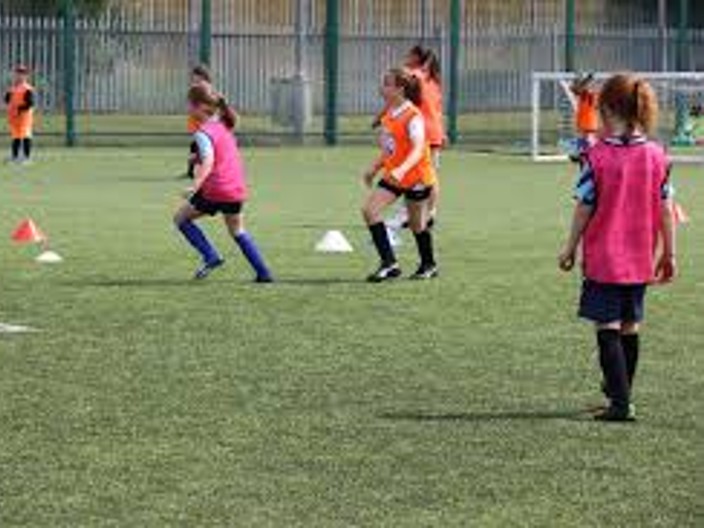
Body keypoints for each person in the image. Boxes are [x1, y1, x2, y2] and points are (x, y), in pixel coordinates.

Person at [558, 73, 677, 422]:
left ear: (607, 109)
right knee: (630, 326)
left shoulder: (596, 157)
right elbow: (666, 208)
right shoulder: (658, 156)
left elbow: (585, 205)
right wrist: (669, 253)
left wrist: (569, 247)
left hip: (605, 258)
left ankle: (620, 404)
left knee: (606, 327)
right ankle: (620, 393)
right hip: (641, 257)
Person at [174, 84, 272, 283]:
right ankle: (264, 273)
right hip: (235, 188)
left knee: (180, 219)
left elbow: (209, 161)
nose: (189, 110)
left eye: (190, 106)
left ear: (197, 107)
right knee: (238, 231)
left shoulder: (202, 133)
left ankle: (210, 255)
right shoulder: (224, 124)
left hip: (215, 189)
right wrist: (197, 160)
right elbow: (219, 155)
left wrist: (195, 186)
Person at [362, 68, 438, 282]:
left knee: (417, 225)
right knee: (369, 210)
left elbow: (417, 149)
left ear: (400, 89)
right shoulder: (389, 114)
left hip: (416, 177)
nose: (382, 88)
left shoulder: (413, 115)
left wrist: (403, 169)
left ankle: (429, 265)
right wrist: (374, 168)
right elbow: (389, 149)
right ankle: (389, 263)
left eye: (387, 84)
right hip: (395, 175)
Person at [4, 64, 35, 163]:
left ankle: (27, 157)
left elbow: (30, 103)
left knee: (26, 136)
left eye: (22, 73)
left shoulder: (27, 88)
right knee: (16, 136)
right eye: (18, 73)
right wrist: (11, 108)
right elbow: (7, 100)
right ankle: (15, 156)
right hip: (14, 117)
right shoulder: (12, 88)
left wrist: (19, 109)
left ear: (26, 76)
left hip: (25, 116)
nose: (20, 76)